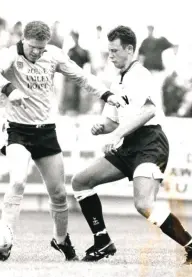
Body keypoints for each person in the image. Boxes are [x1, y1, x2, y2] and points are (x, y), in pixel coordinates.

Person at [0, 20, 119, 261]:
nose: (37, 52)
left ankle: (61, 240)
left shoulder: (53, 55)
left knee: (58, 193)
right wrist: (9, 89)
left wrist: (106, 94)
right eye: (33, 47)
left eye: (42, 48)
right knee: (18, 181)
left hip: (45, 132)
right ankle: (5, 242)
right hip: (17, 131)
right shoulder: (10, 55)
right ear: (24, 39)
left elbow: (82, 77)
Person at [71, 25, 192, 264]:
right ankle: (102, 240)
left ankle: (190, 243)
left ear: (129, 49)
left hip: (150, 143)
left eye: (115, 50)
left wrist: (115, 136)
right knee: (81, 181)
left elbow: (148, 111)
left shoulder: (140, 75)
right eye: (109, 51)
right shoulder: (118, 82)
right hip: (129, 144)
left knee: (144, 204)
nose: (111, 55)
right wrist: (102, 127)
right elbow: (111, 121)